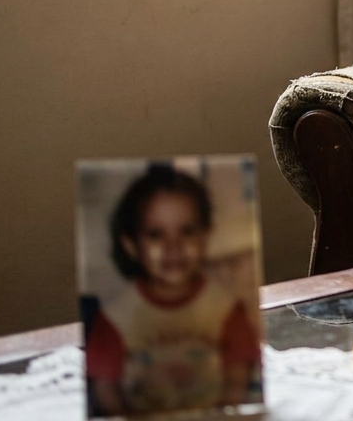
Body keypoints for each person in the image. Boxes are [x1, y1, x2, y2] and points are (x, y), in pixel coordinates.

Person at [85, 165, 261, 415]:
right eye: (156, 234)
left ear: (204, 237)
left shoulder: (225, 309)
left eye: (187, 231)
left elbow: (237, 378)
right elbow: (106, 388)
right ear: (132, 245)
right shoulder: (116, 317)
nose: (173, 246)